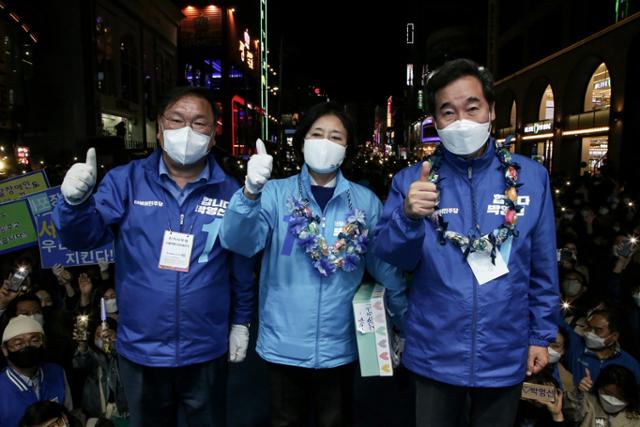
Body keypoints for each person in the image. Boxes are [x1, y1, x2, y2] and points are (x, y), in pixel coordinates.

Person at [52, 86, 255, 427]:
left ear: (213, 131)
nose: (187, 131)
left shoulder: (230, 191)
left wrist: (241, 321)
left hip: (205, 348)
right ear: (160, 129)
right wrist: (74, 204)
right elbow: (82, 238)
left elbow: (241, 264)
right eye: (177, 120)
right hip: (142, 350)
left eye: (199, 122)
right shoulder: (126, 181)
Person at [374, 58, 559, 427]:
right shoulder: (412, 180)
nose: (461, 120)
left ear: (490, 109)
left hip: (504, 350)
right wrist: (409, 216)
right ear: (436, 122)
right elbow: (392, 255)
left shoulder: (531, 178)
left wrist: (540, 335)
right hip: (434, 350)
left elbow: (542, 267)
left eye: (472, 107)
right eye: (448, 111)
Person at [220, 101, 408, 426]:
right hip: (283, 343)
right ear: (302, 140)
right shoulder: (275, 194)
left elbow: (383, 267)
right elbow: (240, 241)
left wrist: (404, 321)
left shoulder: (363, 202)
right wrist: (249, 193)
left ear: (347, 147)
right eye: (317, 134)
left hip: (340, 344)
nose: (325, 143)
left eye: (336, 137)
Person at [0, 315, 73, 427]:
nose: (27, 346)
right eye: (18, 343)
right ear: (5, 350)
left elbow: (69, 414)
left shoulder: (57, 372)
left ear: (44, 343)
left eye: (34, 340)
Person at [560, 307, 640, 386]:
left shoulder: (630, 364)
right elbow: (554, 318)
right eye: (589, 327)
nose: (590, 333)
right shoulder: (575, 344)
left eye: (598, 330)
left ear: (614, 336)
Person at [564, 364, 640, 426]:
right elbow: (569, 411)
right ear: (599, 387)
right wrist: (578, 392)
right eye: (608, 393)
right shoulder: (587, 403)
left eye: (620, 397)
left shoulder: (635, 419)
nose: (612, 400)